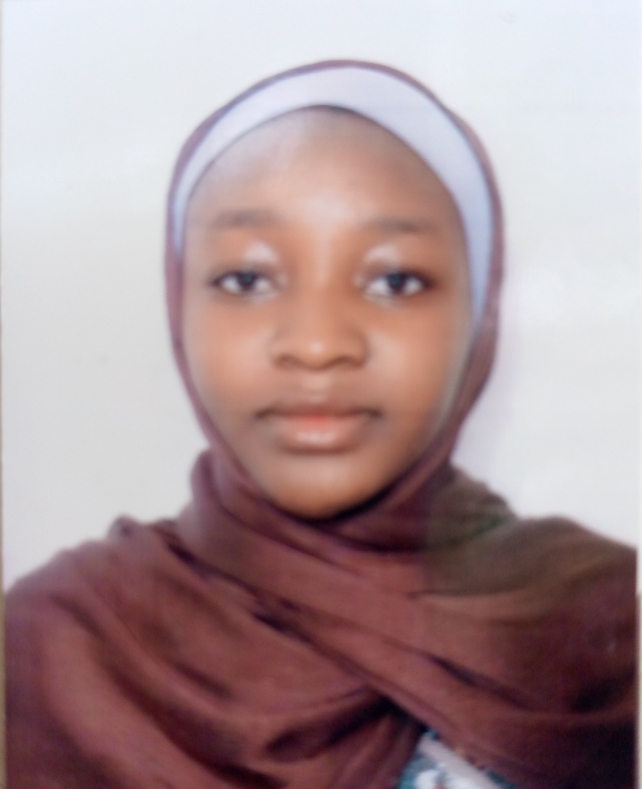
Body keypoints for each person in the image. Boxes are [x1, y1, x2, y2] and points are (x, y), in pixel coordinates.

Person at [6, 61, 636, 789]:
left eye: (395, 280)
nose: (315, 344)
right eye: (247, 279)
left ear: (478, 314)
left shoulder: (605, 624)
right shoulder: (57, 648)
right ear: (180, 307)